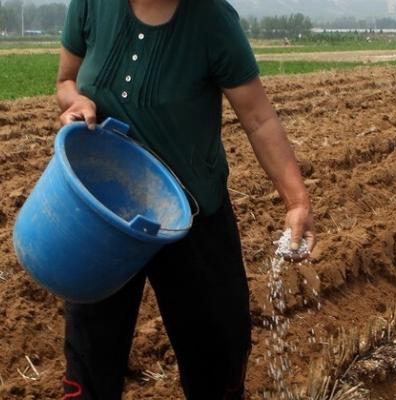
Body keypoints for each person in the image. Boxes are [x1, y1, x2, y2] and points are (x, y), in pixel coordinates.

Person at [56, 0, 316, 398]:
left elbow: (258, 117)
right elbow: (65, 82)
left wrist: (297, 201)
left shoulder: (212, 19)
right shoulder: (92, 4)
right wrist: (75, 101)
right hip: (104, 213)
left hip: (192, 215)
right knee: (91, 358)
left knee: (217, 354)